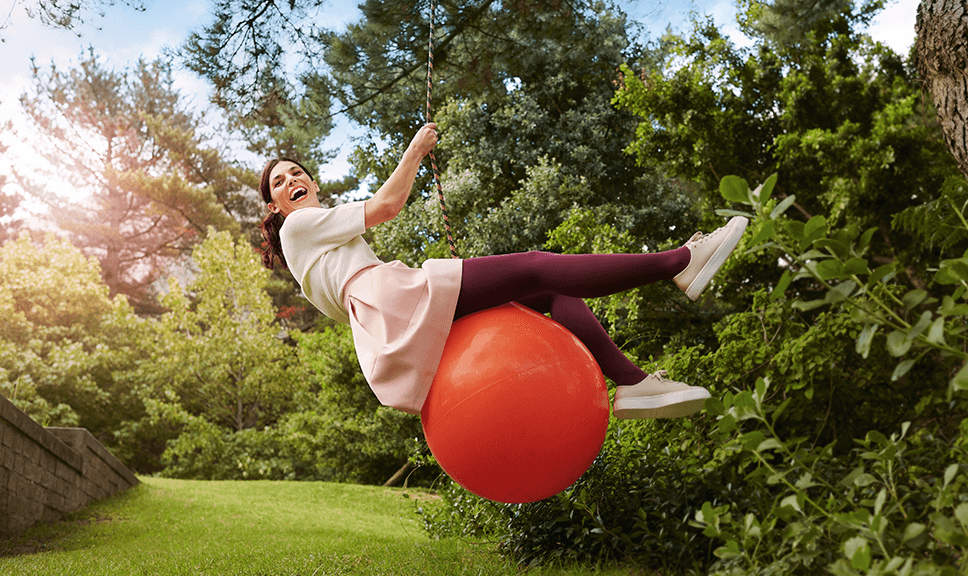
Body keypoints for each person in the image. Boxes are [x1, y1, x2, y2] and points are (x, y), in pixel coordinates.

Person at [259, 123, 747, 419]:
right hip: (393, 297)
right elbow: (388, 204)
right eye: (279, 183)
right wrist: (416, 150)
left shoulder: (316, 247)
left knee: (551, 296)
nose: (291, 181)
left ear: (312, 180)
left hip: (392, 323)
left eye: (296, 172)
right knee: (537, 267)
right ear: (277, 208)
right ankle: (681, 262)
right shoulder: (297, 228)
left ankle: (633, 384)